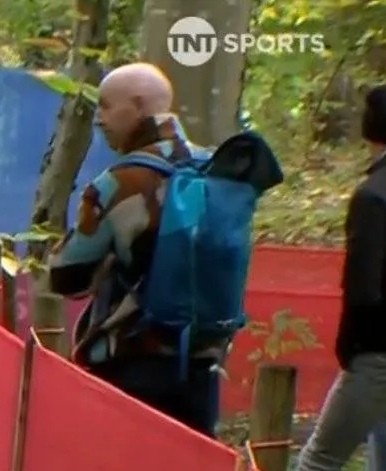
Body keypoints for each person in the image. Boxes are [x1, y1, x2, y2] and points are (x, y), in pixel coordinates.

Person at [47, 62, 276, 438]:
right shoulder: (214, 168)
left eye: (106, 106)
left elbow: (65, 276)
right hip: (202, 366)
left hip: (131, 367)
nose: (99, 118)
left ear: (138, 106)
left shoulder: (120, 181)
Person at [282, 86, 386, 471]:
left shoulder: (374, 195)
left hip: (382, 351)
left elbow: (363, 288)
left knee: (320, 459)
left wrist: (351, 348)